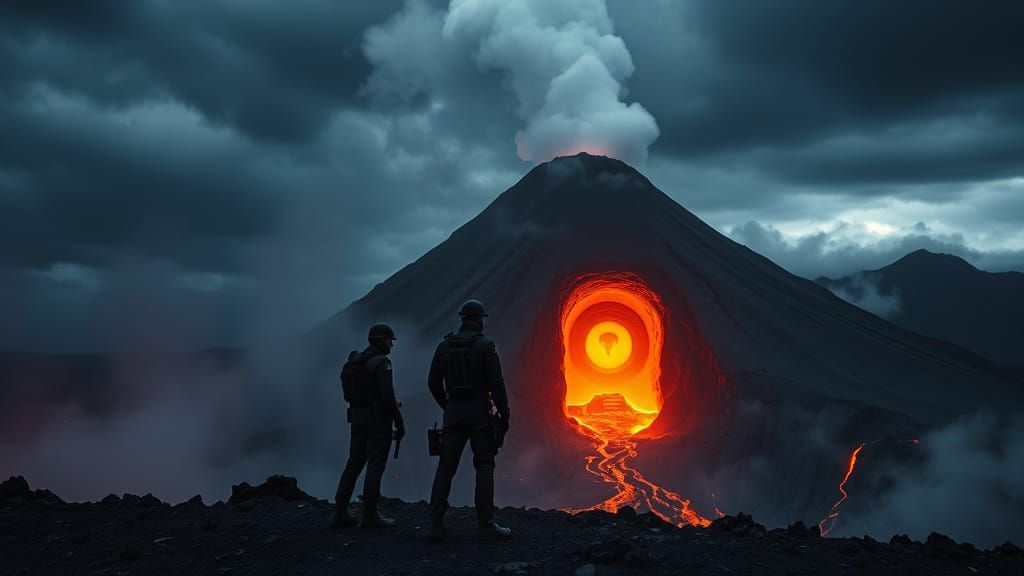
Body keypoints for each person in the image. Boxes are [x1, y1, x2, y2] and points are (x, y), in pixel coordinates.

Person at [427, 299, 511, 540]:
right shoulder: (485, 346)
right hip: (479, 414)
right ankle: (485, 524)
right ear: (479, 320)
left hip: (453, 412)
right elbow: (497, 385)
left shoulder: (444, 346)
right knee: (484, 466)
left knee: (445, 466)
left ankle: (435, 524)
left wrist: (448, 405)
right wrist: (504, 414)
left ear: (463, 319)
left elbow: (433, 383)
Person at [332, 322, 406, 529]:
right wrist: (399, 422)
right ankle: (370, 515)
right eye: (390, 341)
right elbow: (388, 396)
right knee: (375, 465)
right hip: (377, 420)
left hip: (356, 417)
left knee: (354, 462)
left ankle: (340, 512)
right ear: (382, 340)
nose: (392, 345)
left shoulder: (355, 360)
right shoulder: (382, 363)